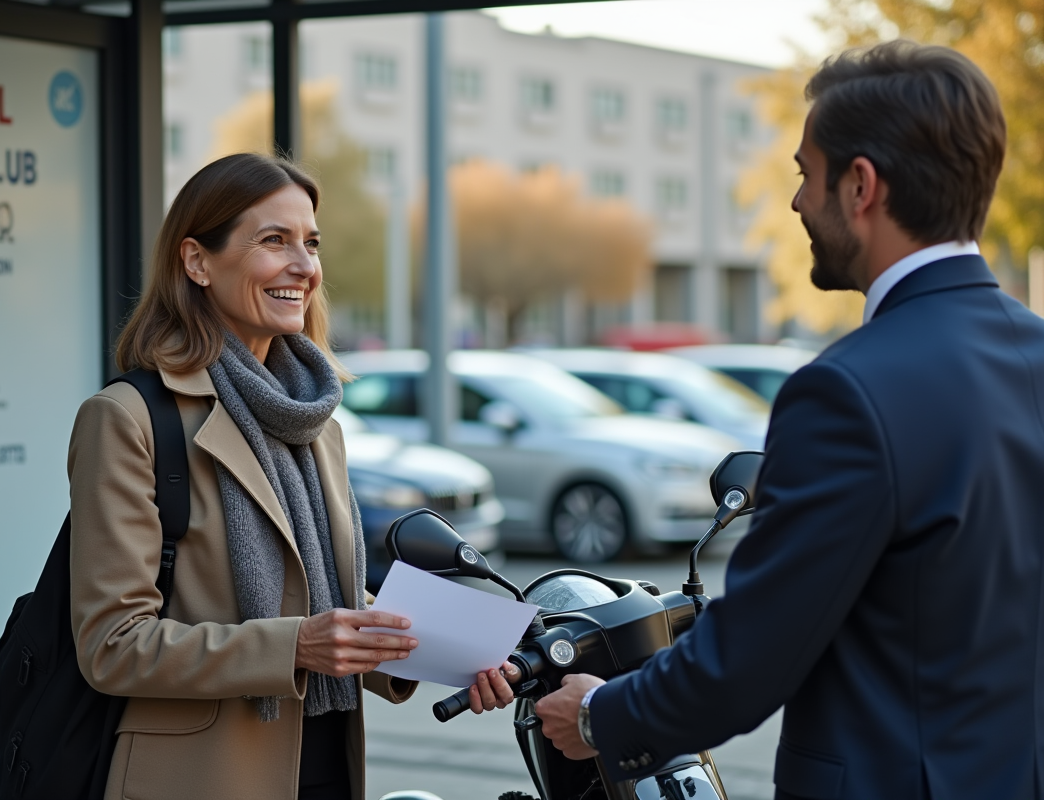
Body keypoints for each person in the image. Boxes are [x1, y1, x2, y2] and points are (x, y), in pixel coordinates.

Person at [535, 41, 1044, 800]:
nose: (798, 202)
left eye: (806, 174)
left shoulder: (846, 390)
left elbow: (752, 656)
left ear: (861, 185)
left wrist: (601, 714)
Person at [69, 153, 517, 800]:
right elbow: (113, 645)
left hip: (327, 760)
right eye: (273, 241)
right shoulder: (128, 419)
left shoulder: (316, 421)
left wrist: (448, 649)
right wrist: (296, 648)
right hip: (204, 777)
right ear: (196, 262)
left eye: (310, 243)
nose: (304, 267)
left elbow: (327, 602)